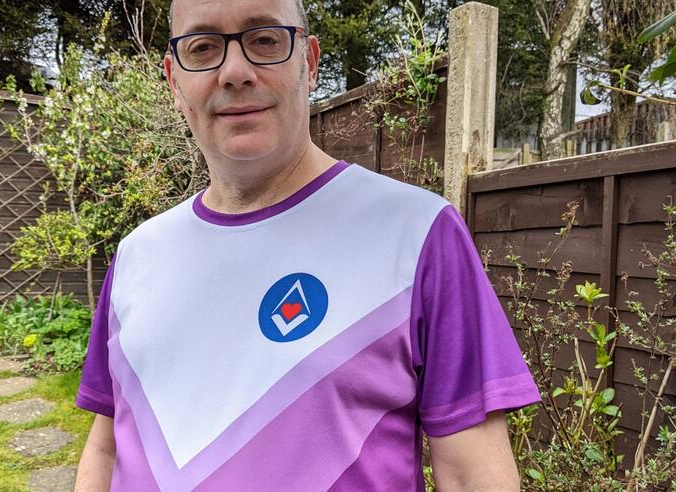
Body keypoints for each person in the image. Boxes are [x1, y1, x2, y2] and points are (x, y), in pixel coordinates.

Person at [73, 0, 541, 490]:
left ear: (310, 62)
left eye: (265, 40)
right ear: (174, 80)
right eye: (204, 47)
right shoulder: (136, 255)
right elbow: (107, 444)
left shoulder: (417, 232)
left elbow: (472, 475)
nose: (235, 72)